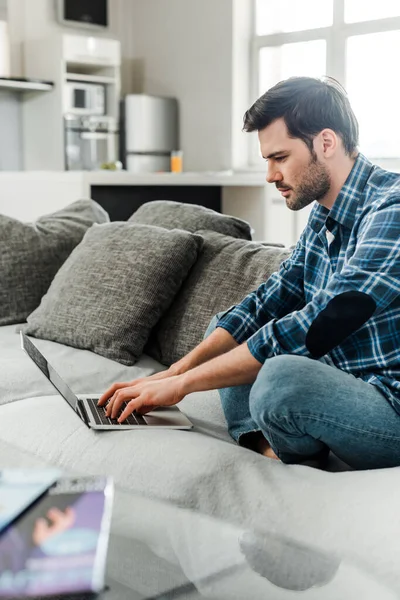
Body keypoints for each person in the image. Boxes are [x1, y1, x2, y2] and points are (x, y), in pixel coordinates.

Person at [98, 76, 400, 470]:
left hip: (388, 406)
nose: (271, 176)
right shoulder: (324, 213)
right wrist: (169, 373)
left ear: (326, 143)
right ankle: (267, 447)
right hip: (340, 378)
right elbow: (268, 300)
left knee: (280, 380)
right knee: (223, 329)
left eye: (280, 158)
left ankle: (290, 450)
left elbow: (322, 323)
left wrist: (182, 386)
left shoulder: (391, 208)